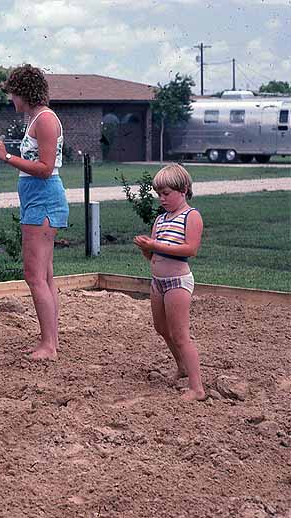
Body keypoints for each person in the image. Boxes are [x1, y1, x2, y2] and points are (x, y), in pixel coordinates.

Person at [0, 65, 69, 361]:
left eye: (13, 93)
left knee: (34, 275)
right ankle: (50, 340)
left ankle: (49, 345)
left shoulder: (46, 120)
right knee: (44, 275)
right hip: (35, 198)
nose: (12, 100)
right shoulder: (35, 118)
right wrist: (8, 153)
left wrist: (7, 157)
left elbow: (46, 169)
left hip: (44, 200)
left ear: (24, 92)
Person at [134, 164, 206, 401]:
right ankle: (181, 367)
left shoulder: (191, 216)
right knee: (161, 329)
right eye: (159, 194)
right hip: (158, 281)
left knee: (180, 334)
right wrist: (147, 248)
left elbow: (190, 249)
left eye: (166, 194)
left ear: (183, 189)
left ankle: (197, 387)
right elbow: (154, 254)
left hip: (177, 282)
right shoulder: (161, 219)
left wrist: (154, 246)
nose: (162, 199)